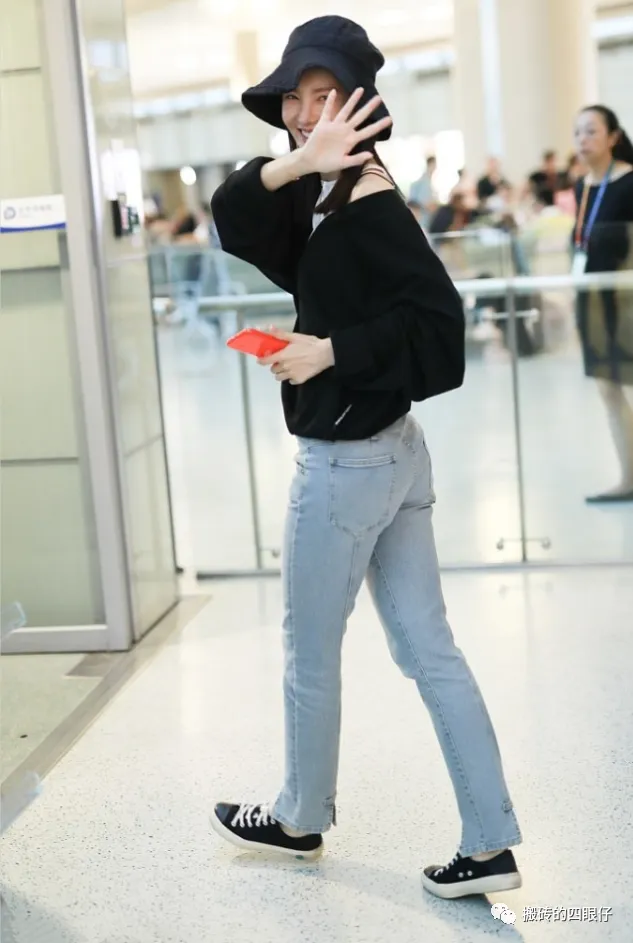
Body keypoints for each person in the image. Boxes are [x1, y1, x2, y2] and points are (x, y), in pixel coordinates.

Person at [209, 15, 523, 900]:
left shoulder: (367, 199)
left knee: (309, 650)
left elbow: (440, 329)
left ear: (358, 102)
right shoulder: (327, 186)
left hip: (348, 466)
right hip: (391, 458)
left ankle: (298, 817)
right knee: (429, 649)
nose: (304, 115)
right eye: (294, 99)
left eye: (323, 96)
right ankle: (489, 842)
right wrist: (301, 164)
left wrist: (329, 353)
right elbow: (233, 215)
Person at [573, 105, 633, 502]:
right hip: (593, 303)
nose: (583, 139)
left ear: (613, 137)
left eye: (591, 131)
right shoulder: (581, 188)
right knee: (608, 390)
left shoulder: (629, 182)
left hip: (627, 300)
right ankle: (628, 477)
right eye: (578, 132)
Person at [409, 155, 438, 229]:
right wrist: (429, 206)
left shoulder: (428, 181)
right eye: (434, 165)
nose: (435, 168)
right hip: (422, 216)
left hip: (425, 217)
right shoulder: (423, 182)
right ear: (430, 164)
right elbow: (418, 201)